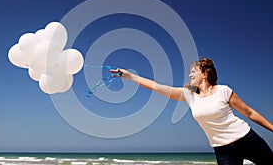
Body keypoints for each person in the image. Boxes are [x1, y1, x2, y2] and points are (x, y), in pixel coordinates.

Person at [111, 58, 273, 165]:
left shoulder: (224, 90)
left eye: (193, 71)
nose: (189, 74)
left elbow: (249, 113)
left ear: (204, 74)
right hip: (222, 149)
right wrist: (130, 76)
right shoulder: (188, 94)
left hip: (246, 139)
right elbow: (157, 86)